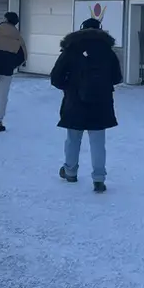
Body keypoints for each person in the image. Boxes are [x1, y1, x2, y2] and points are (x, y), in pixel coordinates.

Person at [50, 17, 123, 193]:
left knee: (73, 139)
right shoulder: (108, 51)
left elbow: (56, 77)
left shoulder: (71, 49)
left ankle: (70, 171)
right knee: (98, 142)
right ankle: (99, 179)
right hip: (101, 102)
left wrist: (69, 88)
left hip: (74, 102)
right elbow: (117, 77)